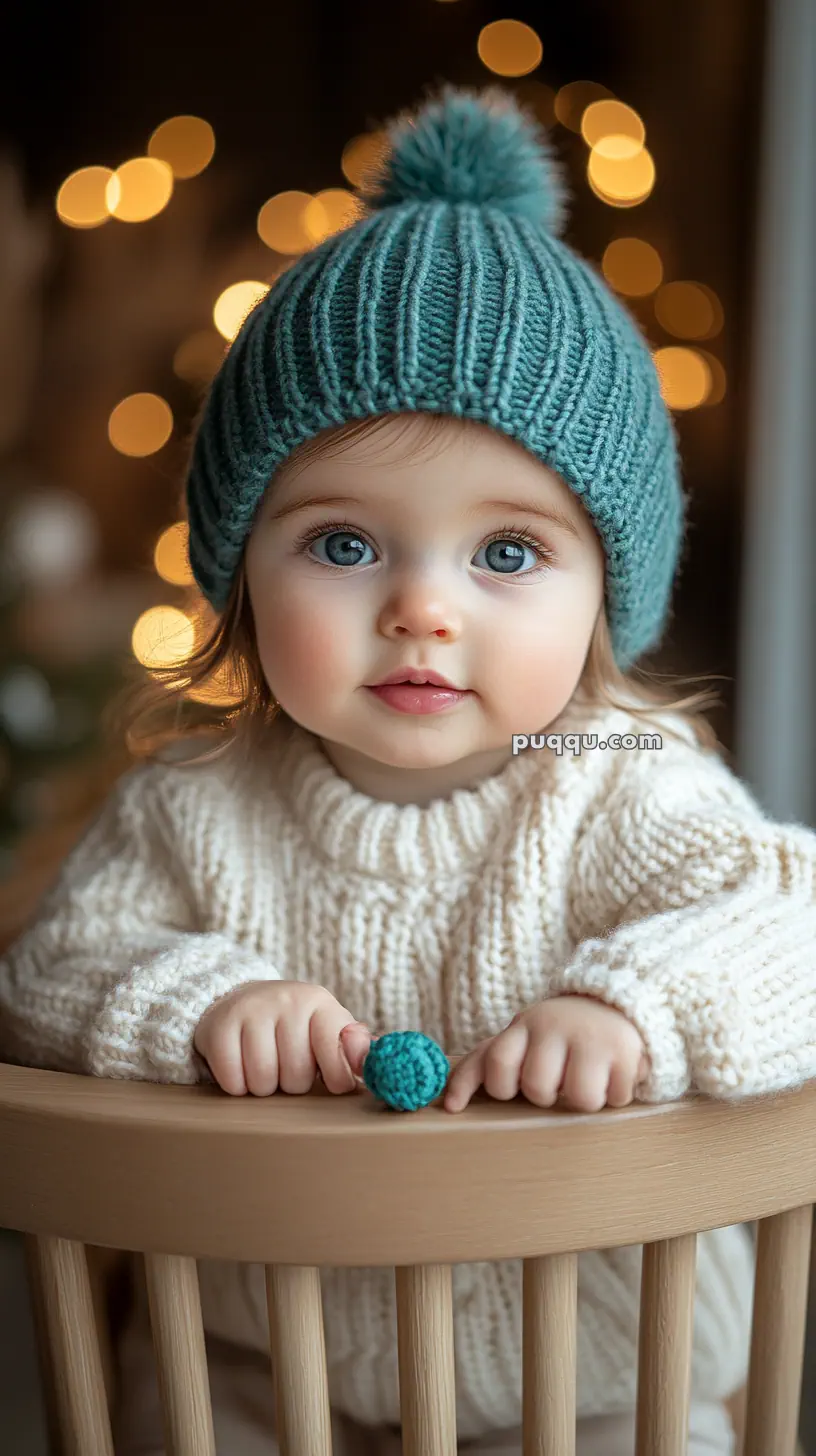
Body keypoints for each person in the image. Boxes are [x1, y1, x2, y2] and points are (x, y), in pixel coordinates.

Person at [2, 85, 815, 1456]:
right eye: (341, 544)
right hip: (275, 1372)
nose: (424, 609)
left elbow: (792, 927)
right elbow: (44, 972)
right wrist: (199, 999)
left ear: (607, 595)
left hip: (596, 1380)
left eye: (507, 554)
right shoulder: (196, 808)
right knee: (170, 1407)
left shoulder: (613, 774)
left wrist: (637, 1008)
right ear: (238, 575)